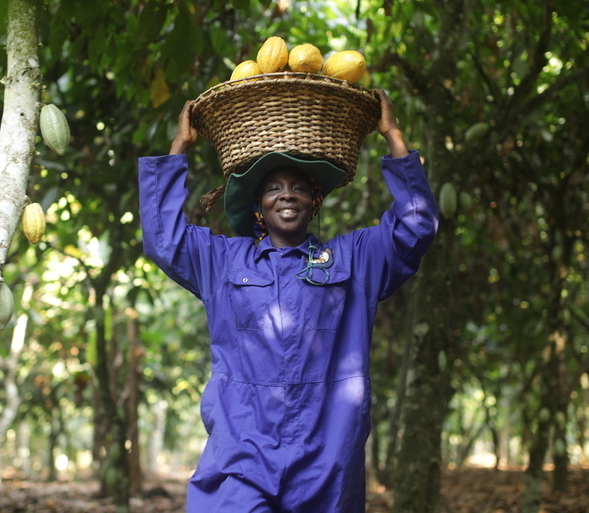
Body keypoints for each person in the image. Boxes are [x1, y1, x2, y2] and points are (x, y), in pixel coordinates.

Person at [138, 89, 439, 512]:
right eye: (274, 188)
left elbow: (416, 228)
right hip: (242, 447)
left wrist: (393, 136)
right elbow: (163, 240)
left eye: (299, 187)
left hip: (328, 452)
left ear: (314, 203)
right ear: (258, 206)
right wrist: (179, 149)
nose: (287, 195)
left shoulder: (353, 258)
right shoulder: (223, 260)